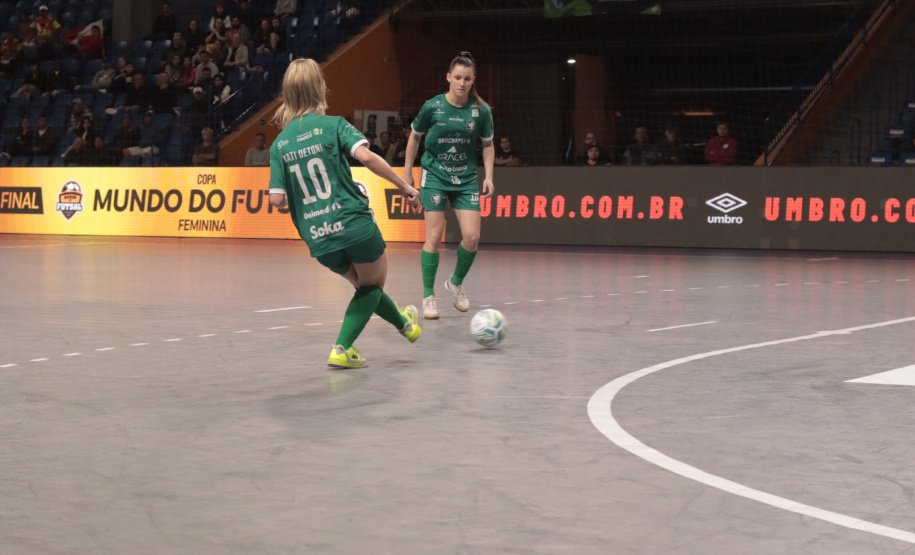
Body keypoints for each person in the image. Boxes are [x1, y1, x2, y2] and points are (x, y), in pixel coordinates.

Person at [268, 57, 422, 368]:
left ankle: (406, 324)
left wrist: (294, 201)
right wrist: (404, 186)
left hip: (318, 238)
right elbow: (367, 158)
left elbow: (276, 200)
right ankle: (342, 347)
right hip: (352, 224)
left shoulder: (279, 145)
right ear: (318, 89)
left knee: (365, 287)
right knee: (373, 285)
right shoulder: (333, 125)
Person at [402, 51, 494, 320]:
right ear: (448, 78)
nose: (462, 83)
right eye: (457, 78)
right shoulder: (433, 107)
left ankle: (455, 283)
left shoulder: (481, 111)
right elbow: (414, 137)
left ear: (472, 80)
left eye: (467, 78)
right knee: (434, 236)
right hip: (435, 176)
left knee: (472, 237)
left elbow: (487, 145)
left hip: (465, 180)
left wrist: (488, 176)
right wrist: (407, 174)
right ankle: (428, 296)